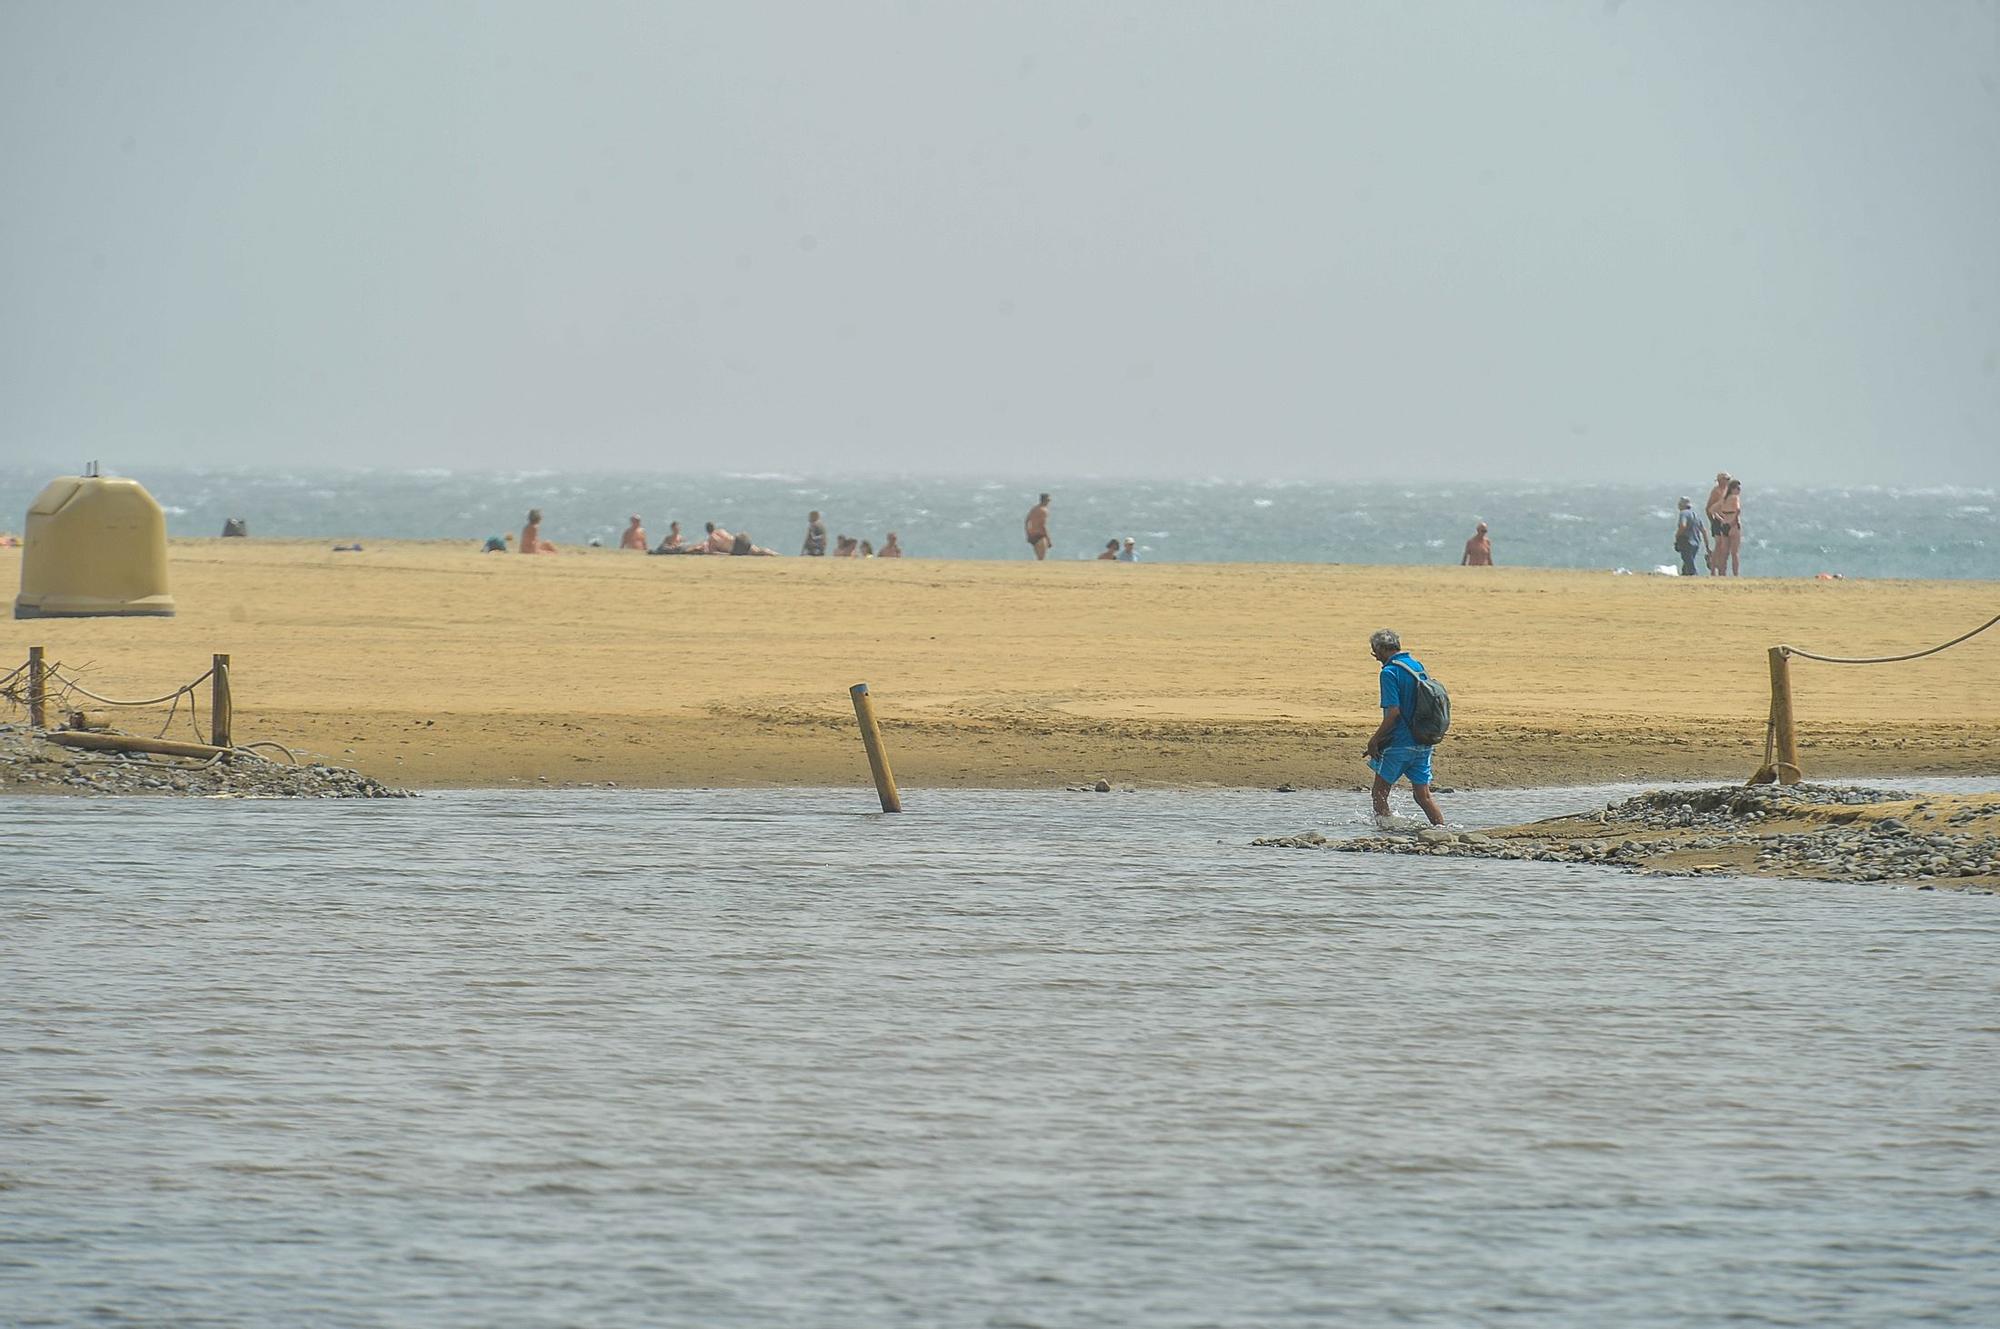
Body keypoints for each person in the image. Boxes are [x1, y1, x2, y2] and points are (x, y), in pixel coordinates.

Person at [1363, 628, 1446, 829]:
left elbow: (1393, 714)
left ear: (1382, 649)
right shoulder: (1416, 665)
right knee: (1423, 795)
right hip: (1423, 741)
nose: (1375, 657)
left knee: (1379, 792)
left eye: (1375, 652)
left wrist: (1374, 740)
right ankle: (1442, 831)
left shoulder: (1389, 672)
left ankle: (1385, 832)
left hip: (1399, 743)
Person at [1672, 497, 1707, 577]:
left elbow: (1683, 526)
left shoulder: (1683, 513)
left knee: (1689, 564)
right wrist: (1707, 545)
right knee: (1687, 563)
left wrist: (1677, 535)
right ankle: (1685, 576)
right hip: (1696, 542)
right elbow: (1703, 530)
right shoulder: (1696, 515)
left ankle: (1695, 576)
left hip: (1686, 541)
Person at [1704, 472, 1732, 574]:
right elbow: (1708, 508)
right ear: (1721, 480)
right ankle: (1713, 568)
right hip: (1717, 520)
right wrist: (1712, 521)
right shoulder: (1716, 491)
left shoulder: (1728, 491)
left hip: (1727, 520)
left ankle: (1722, 568)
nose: (1728, 481)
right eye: (1726, 479)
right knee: (1719, 544)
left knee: (1726, 546)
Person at [1715, 479, 1744, 576]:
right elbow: (1738, 510)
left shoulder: (1724, 499)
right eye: (1738, 488)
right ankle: (1736, 574)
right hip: (1733, 525)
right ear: (1732, 489)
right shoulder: (1735, 498)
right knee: (1734, 553)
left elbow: (1713, 510)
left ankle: (1722, 573)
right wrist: (1733, 522)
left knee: (1724, 552)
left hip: (1724, 525)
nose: (1739, 490)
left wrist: (1721, 519)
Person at [1025, 492, 1052, 560]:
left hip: (1033, 535)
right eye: (1048, 500)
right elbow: (1043, 525)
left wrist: (1028, 533)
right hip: (1040, 536)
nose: (1049, 502)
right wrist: (1048, 539)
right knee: (1041, 558)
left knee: (1038, 558)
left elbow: (1027, 521)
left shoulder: (1034, 509)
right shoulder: (1043, 511)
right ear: (1045, 500)